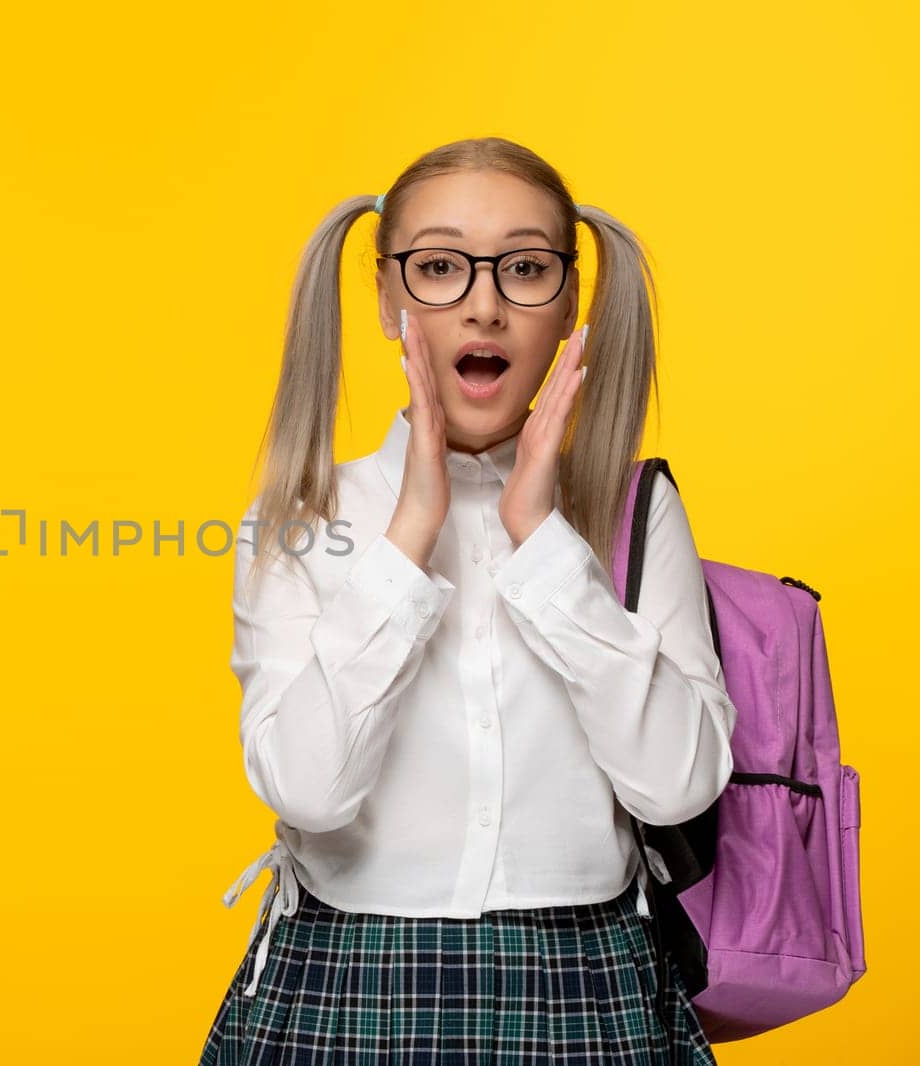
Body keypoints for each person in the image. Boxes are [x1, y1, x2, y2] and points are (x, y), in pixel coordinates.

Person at [198, 136, 736, 1064]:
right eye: (440, 267)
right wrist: (410, 534)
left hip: (588, 983)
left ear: (569, 302)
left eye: (525, 269)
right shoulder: (301, 516)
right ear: (386, 298)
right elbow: (308, 791)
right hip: (348, 982)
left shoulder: (632, 511)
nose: (484, 305)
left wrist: (544, 542)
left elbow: (679, 783)